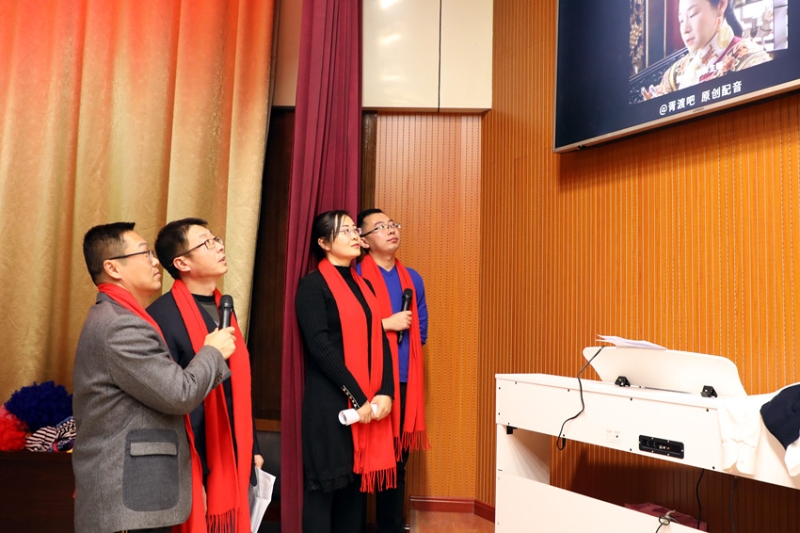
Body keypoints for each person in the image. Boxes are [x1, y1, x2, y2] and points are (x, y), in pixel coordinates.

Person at [72, 222, 237, 533]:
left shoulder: (120, 316)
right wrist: (212, 352)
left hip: (134, 495)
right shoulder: (121, 326)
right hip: (128, 500)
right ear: (113, 268)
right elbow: (179, 394)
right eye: (145, 254)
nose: (155, 261)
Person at [147, 218, 262, 533]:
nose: (219, 247)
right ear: (182, 263)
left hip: (232, 447)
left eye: (217, 239)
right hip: (194, 454)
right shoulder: (161, 316)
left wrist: (252, 446)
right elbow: (168, 399)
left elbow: (238, 386)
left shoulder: (223, 307)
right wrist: (187, 472)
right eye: (207, 243)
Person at [295, 210, 397, 533]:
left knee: (355, 492)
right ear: (324, 243)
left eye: (355, 230)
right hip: (330, 403)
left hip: (366, 402)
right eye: (344, 231)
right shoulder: (313, 286)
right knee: (325, 489)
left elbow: (379, 341)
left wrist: (386, 392)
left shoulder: (364, 285)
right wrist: (357, 396)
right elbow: (320, 347)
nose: (354, 236)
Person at [356, 208, 430, 533]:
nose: (391, 230)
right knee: (361, 460)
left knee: (397, 462)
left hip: (403, 380)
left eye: (393, 224)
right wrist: (386, 324)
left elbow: (421, 328)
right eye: (380, 227)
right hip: (365, 381)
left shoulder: (412, 279)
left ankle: (391, 526)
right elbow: (348, 330)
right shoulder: (355, 276)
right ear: (363, 240)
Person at [641, 0, 771, 100]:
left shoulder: (751, 60)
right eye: (681, 20)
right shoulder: (675, 74)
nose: (685, 29)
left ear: (721, 5)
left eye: (692, 15)